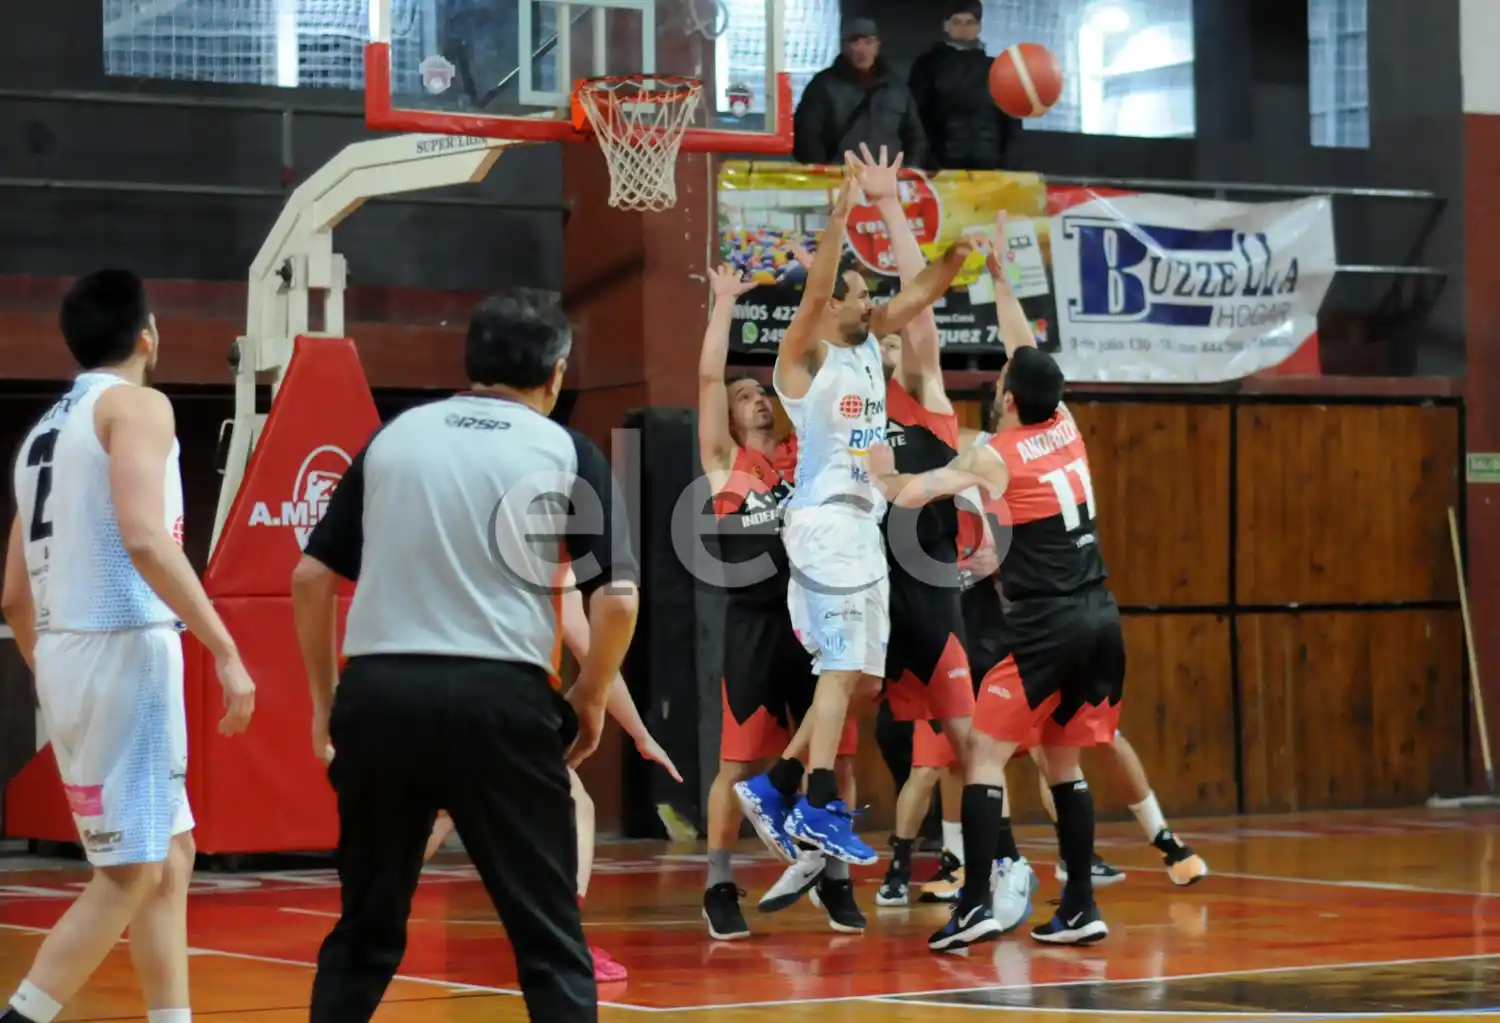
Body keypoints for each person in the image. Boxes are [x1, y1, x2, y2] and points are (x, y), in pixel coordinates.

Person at [289, 288, 637, 1022]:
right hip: (499, 699)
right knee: (548, 941)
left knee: (365, 928)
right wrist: (593, 693)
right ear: (557, 373)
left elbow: (311, 577)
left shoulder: (395, 436)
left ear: (470, 362)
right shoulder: (565, 448)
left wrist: (326, 701)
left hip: (380, 695)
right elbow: (619, 599)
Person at [0, 270, 257, 1023]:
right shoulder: (139, 404)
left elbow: (14, 591)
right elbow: (145, 537)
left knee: (170, 858)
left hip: (64, 652)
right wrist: (226, 647)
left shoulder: (42, 432)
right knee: (129, 871)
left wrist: (52, 668)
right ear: (148, 335)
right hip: (124, 646)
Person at [870, 219, 1122, 949]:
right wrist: (1004, 278)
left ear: (1007, 399)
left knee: (979, 754)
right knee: (1063, 762)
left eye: (1003, 380)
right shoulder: (1065, 424)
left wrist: (875, 475)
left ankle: (977, 897)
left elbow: (916, 491)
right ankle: (1080, 903)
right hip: (1101, 614)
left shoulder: (995, 456)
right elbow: (1025, 350)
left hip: (1044, 621)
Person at [734, 148, 968, 872]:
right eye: (859, 295)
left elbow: (926, 287)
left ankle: (774, 787)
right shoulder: (805, 362)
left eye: (871, 295)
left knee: (860, 679)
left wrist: (962, 247)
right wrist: (838, 221)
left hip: (858, 528)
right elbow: (811, 298)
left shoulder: (869, 348)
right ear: (833, 304)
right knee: (839, 674)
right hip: (825, 524)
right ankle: (818, 803)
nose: (871, 303)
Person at [695, 265, 863, 938]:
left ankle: (836, 876)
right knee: (738, 765)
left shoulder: (805, 454)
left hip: (816, 619)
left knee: (840, 757)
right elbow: (708, 379)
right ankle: (717, 883)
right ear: (728, 417)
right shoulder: (723, 463)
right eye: (744, 395)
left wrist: (814, 300)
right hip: (757, 624)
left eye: (761, 392)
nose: (756, 400)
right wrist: (727, 302)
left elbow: (811, 368)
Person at [421, 568, 682, 981]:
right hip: (497, 699)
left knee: (435, 815)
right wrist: (639, 732)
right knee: (571, 805)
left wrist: (641, 733)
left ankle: (365, 920)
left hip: (418, 691)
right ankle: (566, 938)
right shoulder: (547, 551)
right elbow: (594, 653)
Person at [842, 146, 978, 910]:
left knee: (964, 743)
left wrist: (889, 206)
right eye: (880, 338)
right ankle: (846, 862)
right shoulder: (846, 409)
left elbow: (920, 307)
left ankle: (989, 867)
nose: (891, 344)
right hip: (868, 597)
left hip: (929, 590)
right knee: (856, 731)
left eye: (895, 338)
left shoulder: (922, 398)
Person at [792, 18, 929, 168]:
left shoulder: (896, 87)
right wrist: (824, 172)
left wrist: (908, 170)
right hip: (841, 180)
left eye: (869, 42)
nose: (862, 49)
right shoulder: (823, 85)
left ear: (877, 46)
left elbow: (915, 136)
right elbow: (806, 136)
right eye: (855, 42)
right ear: (844, 47)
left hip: (889, 182)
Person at [909, 0, 1022, 171]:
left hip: (991, 172)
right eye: (957, 22)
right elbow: (914, 120)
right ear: (946, 26)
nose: (963, 28)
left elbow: (1012, 124)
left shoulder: (997, 69)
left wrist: (1005, 166)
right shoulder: (927, 65)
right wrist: (929, 164)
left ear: (979, 27)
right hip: (941, 172)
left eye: (970, 22)